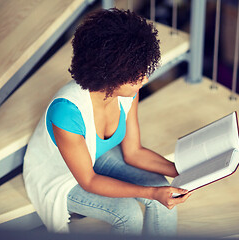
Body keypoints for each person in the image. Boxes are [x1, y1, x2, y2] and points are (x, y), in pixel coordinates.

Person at [23, 8, 191, 236]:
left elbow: (134, 152)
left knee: (165, 189)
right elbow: (89, 181)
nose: (145, 79)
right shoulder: (66, 112)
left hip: (96, 156)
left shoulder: (128, 92)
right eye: (135, 74)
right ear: (109, 72)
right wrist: (149, 193)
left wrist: (183, 171)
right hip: (63, 175)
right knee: (128, 214)